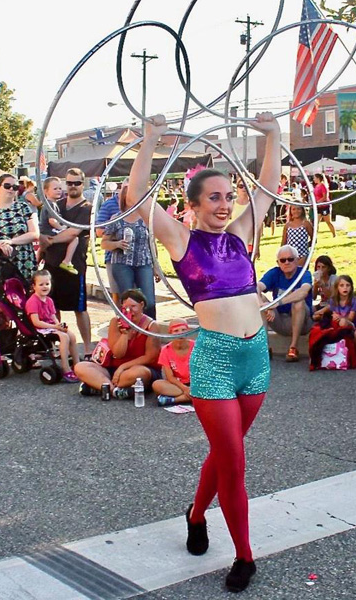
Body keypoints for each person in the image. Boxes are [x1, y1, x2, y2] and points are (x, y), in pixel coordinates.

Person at [127, 112, 281, 592]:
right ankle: (245, 557)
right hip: (214, 359)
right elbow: (137, 198)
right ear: (192, 206)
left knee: (226, 452)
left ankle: (196, 514)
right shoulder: (181, 239)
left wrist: (274, 136)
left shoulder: (239, 237)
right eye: (213, 197)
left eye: (228, 196)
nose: (224, 203)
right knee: (233, 461)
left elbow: (269, 187)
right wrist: (150, 140)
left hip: (256, 357)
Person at [40, 168, 93, 355]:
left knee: (80, 308)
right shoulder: (56, 204)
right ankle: (59, 347)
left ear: (83, 184)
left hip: (74, 266)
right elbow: (44, 225)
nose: (72, 186)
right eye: (69, 183)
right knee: (52, 308)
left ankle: (87, 349)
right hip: (51, 263)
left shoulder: (87, 208)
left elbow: (73, 232)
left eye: (77, 183)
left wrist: (51, 240)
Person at [74, 289, 161, 398]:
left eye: (133, 307)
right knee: (80, 367)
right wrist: (125, 334)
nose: (130, 312)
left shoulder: (152, 326)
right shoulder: (116, 322)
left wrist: (123, 367)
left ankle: (100, 386)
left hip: (137, 368)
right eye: (125, 308)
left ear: (141, 305)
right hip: (114, 367)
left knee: (141, 373)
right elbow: (118, 354)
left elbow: (150, 357)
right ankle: (113, 390)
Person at [101, 184, 157, 319]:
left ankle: (150, 331)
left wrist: (156, 266)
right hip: (122, 264)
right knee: (129, 300)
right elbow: (104, 243)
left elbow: (152, 242)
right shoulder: (116, 218)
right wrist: (117, 244)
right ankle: (129, 330)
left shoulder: (146, 218)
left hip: (144, 262)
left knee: (148, 300)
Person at [0, 173, 39, 284]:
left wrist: (10, 242)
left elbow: (34, 234)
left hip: (24, 262)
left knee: (25, 297)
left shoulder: (24, 207)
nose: (11, 189)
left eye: (15, 187)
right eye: (7, 186)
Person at [259, 245, 313, 363]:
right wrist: (268, 307)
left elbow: (303, 292)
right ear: (278, 262)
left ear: (297, 260)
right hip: (279, 320)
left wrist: (277, 303)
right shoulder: (274, 273)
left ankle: (293, 348)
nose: (286, 262)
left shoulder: (304, 273)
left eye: (290, 259)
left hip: (303, 322)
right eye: (283, 260)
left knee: (298, 302)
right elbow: (255, 288)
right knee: (261, 302)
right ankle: (264, 348)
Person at [25, 269, 79, 382]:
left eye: (47, 284)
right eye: (41, 284)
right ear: (34, 286)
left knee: (71, 336)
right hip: (40, 329)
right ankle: (65, 368)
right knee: (64, 337)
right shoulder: (32, 301)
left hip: (50, 326)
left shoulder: (49, 300)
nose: (45, 287)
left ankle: (77, 365)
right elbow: (36, 322)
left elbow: (53, 317)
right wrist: (55, 328)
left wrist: (59, 325)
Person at [39, 176, 80, 275]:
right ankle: (67, 261)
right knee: (75, 239)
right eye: (55, 189)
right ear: (46, 191)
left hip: (44, 231)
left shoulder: (50, 203)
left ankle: (36, 261)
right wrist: (62, 228)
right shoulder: (51, 204)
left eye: (60, 188)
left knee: (42, 248)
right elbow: (52, 221)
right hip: (49, 231)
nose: (58, 191)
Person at [96, 178, 124, 306]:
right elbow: (99, 231)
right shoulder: (109, 205)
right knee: (118, 294)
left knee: (138, 296)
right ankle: (120, 323)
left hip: (138, 259)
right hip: (113, 256)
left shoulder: (141, 204)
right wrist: (113, 226)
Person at [154, 318, 194, 407]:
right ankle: (194, 397)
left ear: (188, 331)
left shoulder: (196, 346)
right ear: (170, 333)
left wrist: (192, 387)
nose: (180, 333)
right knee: (156, 385)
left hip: (195, 383)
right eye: (176, 331)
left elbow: (201, 372)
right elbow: (170, 377)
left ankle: (175, 399)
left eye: (183, 330)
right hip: (177, 384)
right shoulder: (165, 350)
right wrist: (185, 388)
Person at [312, 173, 335, 237]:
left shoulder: (323, 186)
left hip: (325, 206)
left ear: (318, 178)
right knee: (316, 222)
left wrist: (318, 202)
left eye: (315, 178)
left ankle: (334, 234)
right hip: (319, 207)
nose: (313, 179)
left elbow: (324, 197)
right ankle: (314, 236)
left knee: (328, 222)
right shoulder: (316, 186)